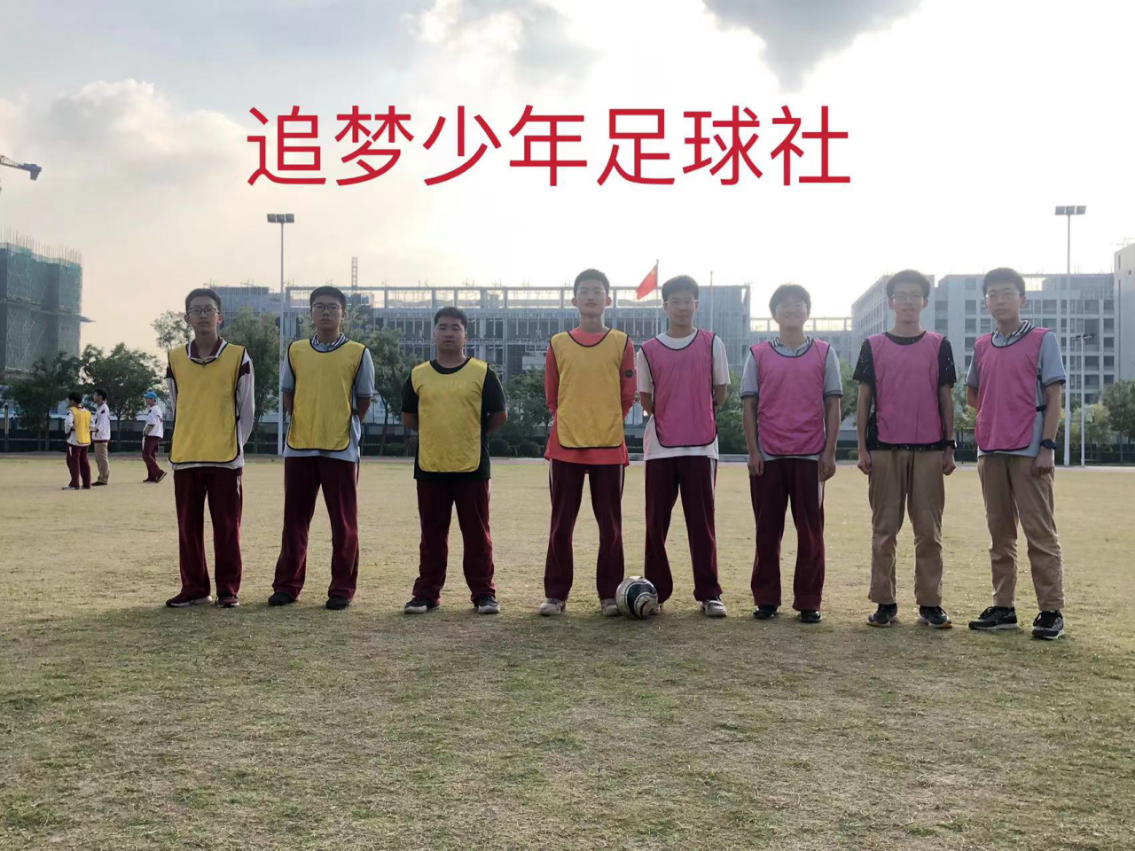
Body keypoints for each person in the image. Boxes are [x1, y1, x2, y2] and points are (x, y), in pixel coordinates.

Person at [965, 267, 1067, 640]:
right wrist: (994, 418)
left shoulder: (1042, 340)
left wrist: (1047, 446)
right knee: (1000, 533)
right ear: (985, 302)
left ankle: (1050, 611)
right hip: (990, 452)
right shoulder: (982, 346)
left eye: (1007, 292)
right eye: (993, 294)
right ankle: (1003, 607)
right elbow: (973, 394)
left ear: (1022, 299)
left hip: (1030, 451)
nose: (1000, 300)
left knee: (1040, 532)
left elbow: (1054, 397)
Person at [854, 270, 957, 629]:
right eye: (902, 295)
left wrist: (949, 446)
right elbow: (864, 399)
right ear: (891, 302)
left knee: (928, 531)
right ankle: (885, 601)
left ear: (925, 302)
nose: (908, 301)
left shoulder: (939, 345)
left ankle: (930, 603)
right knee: (884, 530)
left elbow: (946, 398)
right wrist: (862, 449)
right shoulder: (872, 346)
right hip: (884, 449)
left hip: (930, 450)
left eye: (915, 295)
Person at [270, 285, 375, 611]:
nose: (326, 312)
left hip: (340, 448)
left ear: (343, 313)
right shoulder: (296, 350)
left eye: (332, 307)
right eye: (319, 306)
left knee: (343, 524)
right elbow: (288, 393)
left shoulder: (358, 352)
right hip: (299, 446)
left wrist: (342, 422)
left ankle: (341, 588)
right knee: (294, 521)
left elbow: (364, 399)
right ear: (311, 313)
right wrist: (304, 419)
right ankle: (287, 586)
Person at [742, 284, 842, 624]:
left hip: (810, 456)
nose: (791, 310)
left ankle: (809, 600)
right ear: (774, 314)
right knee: (767, 532)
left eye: (798, 304)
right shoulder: (758, 354)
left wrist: (829, 452)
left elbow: (833, 404)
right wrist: (753, 451)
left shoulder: (824, 353)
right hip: (768, 456)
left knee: (811, 533)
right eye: (784, 305)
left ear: (807, 311)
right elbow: (749, 406)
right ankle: (766, 598)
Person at [539, 268, 635, 617]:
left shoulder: (622, 342)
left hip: (608, 446)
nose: (591, 296)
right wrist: (572, 420)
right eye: (585, 291)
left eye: (597, 291)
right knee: (561, 524)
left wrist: (604, 421)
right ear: (574, 299)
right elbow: (552, 395)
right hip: (566, 445)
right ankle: (555, 595)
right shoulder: (558, 343)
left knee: (611, 527)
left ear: (608, 299)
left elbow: (627, 394)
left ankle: (609, 595)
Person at [401, 307, 508, 615]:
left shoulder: (482, 372)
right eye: (443, 327)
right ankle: (426, 593)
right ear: (433, 334)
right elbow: (409, 416)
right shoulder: (418, 374)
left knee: (477, 535)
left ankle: (484, 594)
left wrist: (473, 432)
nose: (449, 333)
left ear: (466, 336)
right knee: (431, 535)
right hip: (430, 466)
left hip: (471, 467)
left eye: (455, 328)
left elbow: (499, 415)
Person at [637, 275, 730, 617]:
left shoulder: (711, 343)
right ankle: (655, 592)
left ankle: (709, 593)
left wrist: (694, 412)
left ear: (696, 305)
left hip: (701, 448)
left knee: (702, 524)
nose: (681, 307)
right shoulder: (648, 350)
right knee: (655, 524)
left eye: (687, 300)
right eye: (674, 301)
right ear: (665, 306)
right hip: (661, 448)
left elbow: (720, 391)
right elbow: (646, 399)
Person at [164, 287, 255, 608]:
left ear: (220, 317)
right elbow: (176, 404)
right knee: (188, 529)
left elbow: (246, 409)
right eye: (196, 310)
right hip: (186, 456)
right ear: (187, 318)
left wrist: (234, 445)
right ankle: (195, 588)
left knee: (227, 528)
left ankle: (228, 589)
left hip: (225, 458)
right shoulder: (175, 357)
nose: (203, 315)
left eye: (208, 310)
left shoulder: (238, 356)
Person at [62, 392, 92, 491]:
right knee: (84, 462)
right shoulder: (87, 412)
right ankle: (87, 483)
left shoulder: (72, 411)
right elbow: (92, 425)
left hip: (74, 440)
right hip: (86, 440)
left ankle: (74, 484)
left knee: (73, 462)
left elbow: (68, 423)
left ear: (72, 401)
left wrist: (67, 431)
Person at [142, 391, 166, 483]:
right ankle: (152, 476)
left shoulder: (153, 410)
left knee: (146, 455)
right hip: (157, 434)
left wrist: (145, 433)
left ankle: (159, 472)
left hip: (151, 435)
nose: (145, 400)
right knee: (151, 455)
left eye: (147, 398)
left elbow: (151, 423)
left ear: (152, 399)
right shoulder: (158, 409)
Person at [91, 388, 112, 486]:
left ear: (100, 396)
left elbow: (101, 424)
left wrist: (94, 430)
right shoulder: (99, 408)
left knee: (102, 459)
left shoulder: (104, 408)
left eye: (95, 394)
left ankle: (103, 478)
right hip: (98, 437)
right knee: (99, 459)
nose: (93, 396)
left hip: (101, 437)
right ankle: (102, 477)